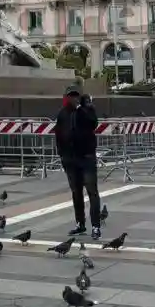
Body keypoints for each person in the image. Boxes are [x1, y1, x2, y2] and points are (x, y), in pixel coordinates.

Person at [53, 87, 101, 239]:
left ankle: (95, 226)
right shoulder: (63, 113)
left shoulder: (87, 110)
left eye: (76, 96)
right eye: (70, 96)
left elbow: (94, 123)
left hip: (86, 158)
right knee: (76, 192)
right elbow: (58, 134)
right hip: (70, 159)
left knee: (92, 191)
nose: (73, 99)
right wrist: (62, 155)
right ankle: (80, 223)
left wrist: (83, 108)